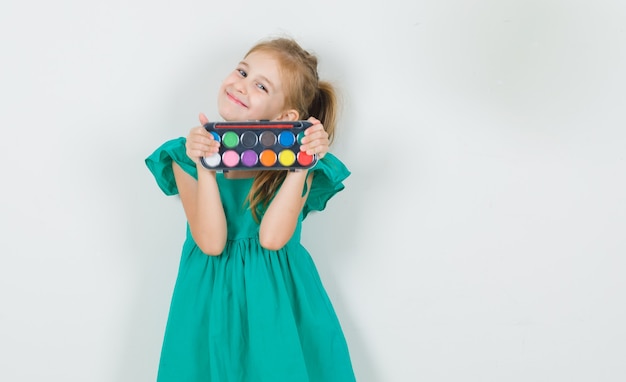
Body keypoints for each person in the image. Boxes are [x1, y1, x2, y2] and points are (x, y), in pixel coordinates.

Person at [145, 36, 356, 381]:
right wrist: (203, 165)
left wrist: (301, 165)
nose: (241, 86)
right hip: (208, 301)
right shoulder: (184, 156)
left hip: (277, 305)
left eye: (260, 85)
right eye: (242, 72)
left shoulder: (299, 170)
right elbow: (211, 243)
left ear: (286, 116)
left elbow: (273, 239)